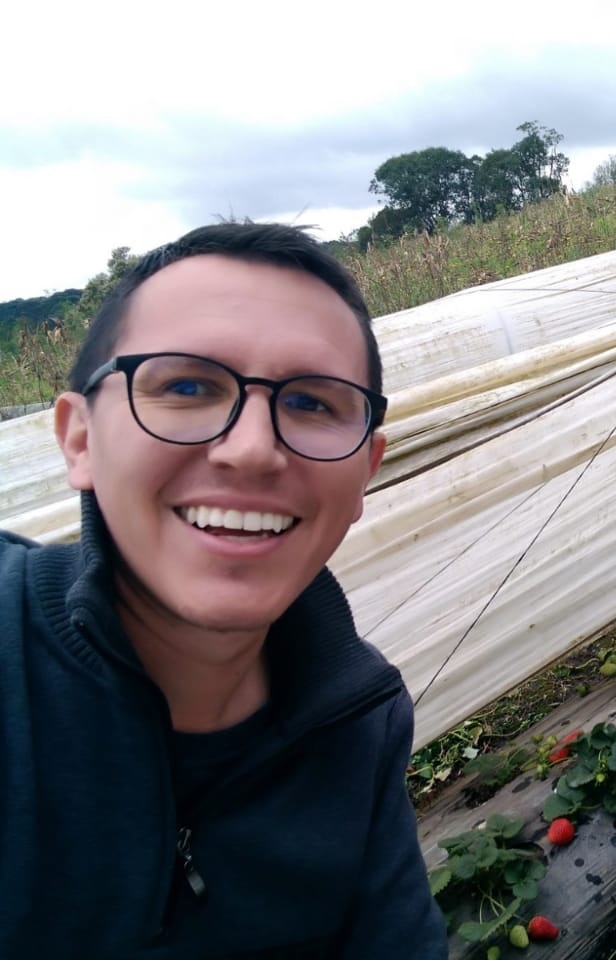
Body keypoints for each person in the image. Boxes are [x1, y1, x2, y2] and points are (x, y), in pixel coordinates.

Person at [0, 223, 448, 958]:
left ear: (367, 468)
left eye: (312, 403)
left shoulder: (357, 722)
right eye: (185, 386)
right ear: (79, 439)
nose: (251, 450)